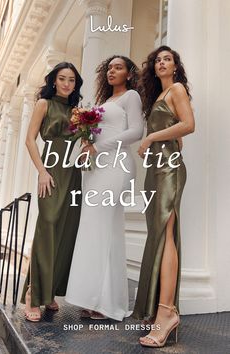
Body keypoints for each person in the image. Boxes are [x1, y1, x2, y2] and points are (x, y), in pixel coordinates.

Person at [65, 55, 144, 321]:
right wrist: (86, 146)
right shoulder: (104, 102)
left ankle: (107, 302)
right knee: (95, 229)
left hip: (116, 166)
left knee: (106, 227)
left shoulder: (130, 97)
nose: (112, 71)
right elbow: (95, 133)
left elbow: (136, 132)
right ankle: (93, 297)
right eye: (109, 67)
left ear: (129, 74)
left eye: (118, 68)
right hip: (96, 169)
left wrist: (98, 147)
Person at [132, 46, 195, 347]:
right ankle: (160, 307)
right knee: (158, 235)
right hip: (157, 169)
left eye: (167, 59)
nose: (161, 63)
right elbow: (178, 135)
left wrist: (152, 138)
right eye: (157, 60)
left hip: (168, 171)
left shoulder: (177, 88)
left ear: (175, 66)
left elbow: (189, 125)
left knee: (166, 235)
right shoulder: (159, 96)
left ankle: (167, 313)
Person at [20, 62, 83, 321]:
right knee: (47, 225)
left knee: (66, 229)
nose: (67, 83)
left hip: (73, 172)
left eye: (71, 80)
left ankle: (51, 293)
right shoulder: (43, 104)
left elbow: (86, 139)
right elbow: (29, 139)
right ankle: (33, 294)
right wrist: (42, 171)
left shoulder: (78, 111)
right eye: (62, 78)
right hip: (51, 170)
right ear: (54, 81)